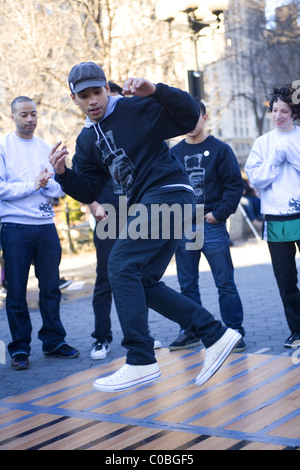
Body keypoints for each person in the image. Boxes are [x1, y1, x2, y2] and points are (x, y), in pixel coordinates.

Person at [50, 62, 241, 392]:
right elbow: (88, 190)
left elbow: (189, 117)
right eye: (85, 96)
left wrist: (156, 90)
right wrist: (63, 173)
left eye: (98, 92)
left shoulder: (134, 108)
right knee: (142, 279)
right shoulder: (86, 141)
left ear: (106, 90)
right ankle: (214, 334)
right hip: (154, 206)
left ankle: (140, 359)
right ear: (74, 99)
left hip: (169, 194)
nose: (93, 100)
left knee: (120, 266)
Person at [0, 96, 79, 370]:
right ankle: (20, 349)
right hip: (15, 227)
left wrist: (46, 184)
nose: (30, 119)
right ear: (13, 116)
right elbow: (0, 188)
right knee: (17, 292)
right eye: (24, 114)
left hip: (45, 227)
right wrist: (31, 185)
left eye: (33, 114)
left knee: (51, 289)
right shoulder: (3, 147)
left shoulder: (46, 147)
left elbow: (59, 189)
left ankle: (54, 342)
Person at [88, 82, 162, 360]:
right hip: (107, 217)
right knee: (106, 280)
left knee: (136, 277)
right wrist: (94, 205)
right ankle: (101, 339)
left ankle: (141, 338)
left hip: (136, 217)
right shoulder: (92, 135)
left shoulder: (135, 133)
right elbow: (84, 180)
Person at [169, 100, 246, 353]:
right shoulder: (174, 153)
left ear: (205, 118)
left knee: (224, 282)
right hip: (184, 226)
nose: (191, 123)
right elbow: (168, 188)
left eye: (196, 117)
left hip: (211, 223)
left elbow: (234, 185)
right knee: (187, 285)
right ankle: (192, 330)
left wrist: (220, 214)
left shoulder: (220, 149)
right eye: (186, 118)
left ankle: (234, 331)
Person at [245, 83, 300, 349]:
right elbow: (256, 179)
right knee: (286, 278)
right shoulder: (262, 143)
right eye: (275, 110)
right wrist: (275, 161)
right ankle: (297, 330)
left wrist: (291, 154)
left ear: (294, 113)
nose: (278, 115)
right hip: (277, 218)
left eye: (285, 111)